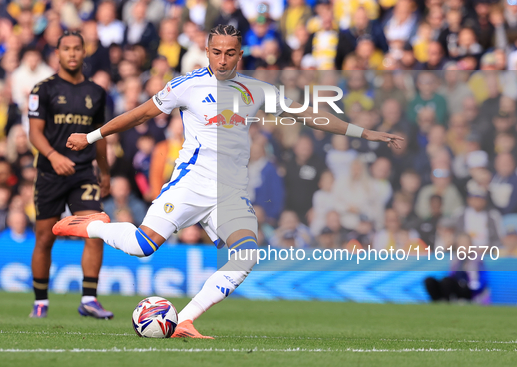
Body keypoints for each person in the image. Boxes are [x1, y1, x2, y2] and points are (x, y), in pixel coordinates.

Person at [53, 24, 403, 338]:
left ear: (240, 54)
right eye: (216, 52)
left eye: (230, 53)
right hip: (190, 184)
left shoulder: (256, 90)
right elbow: (141, 113)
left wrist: (364, 132)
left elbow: (308, 114)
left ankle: (185, 320)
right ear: (207, 51)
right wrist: (92, 136)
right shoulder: (186, 86)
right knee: (141, 247)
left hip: (230, 193)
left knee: (246, 255)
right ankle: (95, 226)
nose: (222, 59)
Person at [27, 31, 112, 319]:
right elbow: (34, 133)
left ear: (84, 52)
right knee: (44, 238)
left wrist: (106, 172)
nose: (72, 53)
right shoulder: (43, 89)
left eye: (77, 48)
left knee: (96, 230)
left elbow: (100, 137)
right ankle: (41, 302)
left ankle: (89, 298)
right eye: (67, 49)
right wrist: (53, 156)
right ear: (58, 53)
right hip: (51, 173)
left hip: (84, 172)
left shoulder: (97, 93)